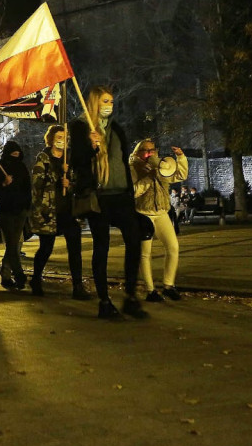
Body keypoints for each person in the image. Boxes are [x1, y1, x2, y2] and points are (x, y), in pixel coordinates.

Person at [70, 86, 149, 320]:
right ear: (95, 102)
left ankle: (131, 296)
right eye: (105, 101)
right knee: (101, 246)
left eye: (112, 101)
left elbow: (122, 160)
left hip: (121, 195)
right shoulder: (80, 127)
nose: (110, 105)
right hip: (99, 196)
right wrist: (91, 147)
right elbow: (77, 161)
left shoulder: (115, 129)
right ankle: (104, 301)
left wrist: (129, 188)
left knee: (134, 239)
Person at [28, 126, 91, 299]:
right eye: (58, 136)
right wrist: (56, 181)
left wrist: (69, 184)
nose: (62, 139)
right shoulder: (44, 159)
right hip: (48, 212)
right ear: (51, 139)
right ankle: (36, 279)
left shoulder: (69, 158)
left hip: (67, 211)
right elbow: (36, 185)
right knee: (46, 248)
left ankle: (77, 285)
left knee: (75, 246)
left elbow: (77, 182)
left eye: (64, 136)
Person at [129, 139, 187, 302]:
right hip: (143, 213)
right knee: (145, 254)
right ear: (138, 153)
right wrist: (148, 178)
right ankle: (150, 290)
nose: (149, 154)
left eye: (152, 150)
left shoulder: (160, 165)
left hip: (161, 212)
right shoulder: (133, 167)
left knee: (173, 247)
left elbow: (179, 175)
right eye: (145, 151)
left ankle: (169, 285)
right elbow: (133, 191)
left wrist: (180, 158)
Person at [0, 140, 32, 291]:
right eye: (13, 153)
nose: (16, 155)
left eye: (18, 153)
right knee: (12, 244)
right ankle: (19, 274)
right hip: (4, 210)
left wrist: (27, 206)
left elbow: (27, 187)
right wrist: (3, 184)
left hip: (20, 211)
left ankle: (7, 275)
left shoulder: (22, 167)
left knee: (13, 244)